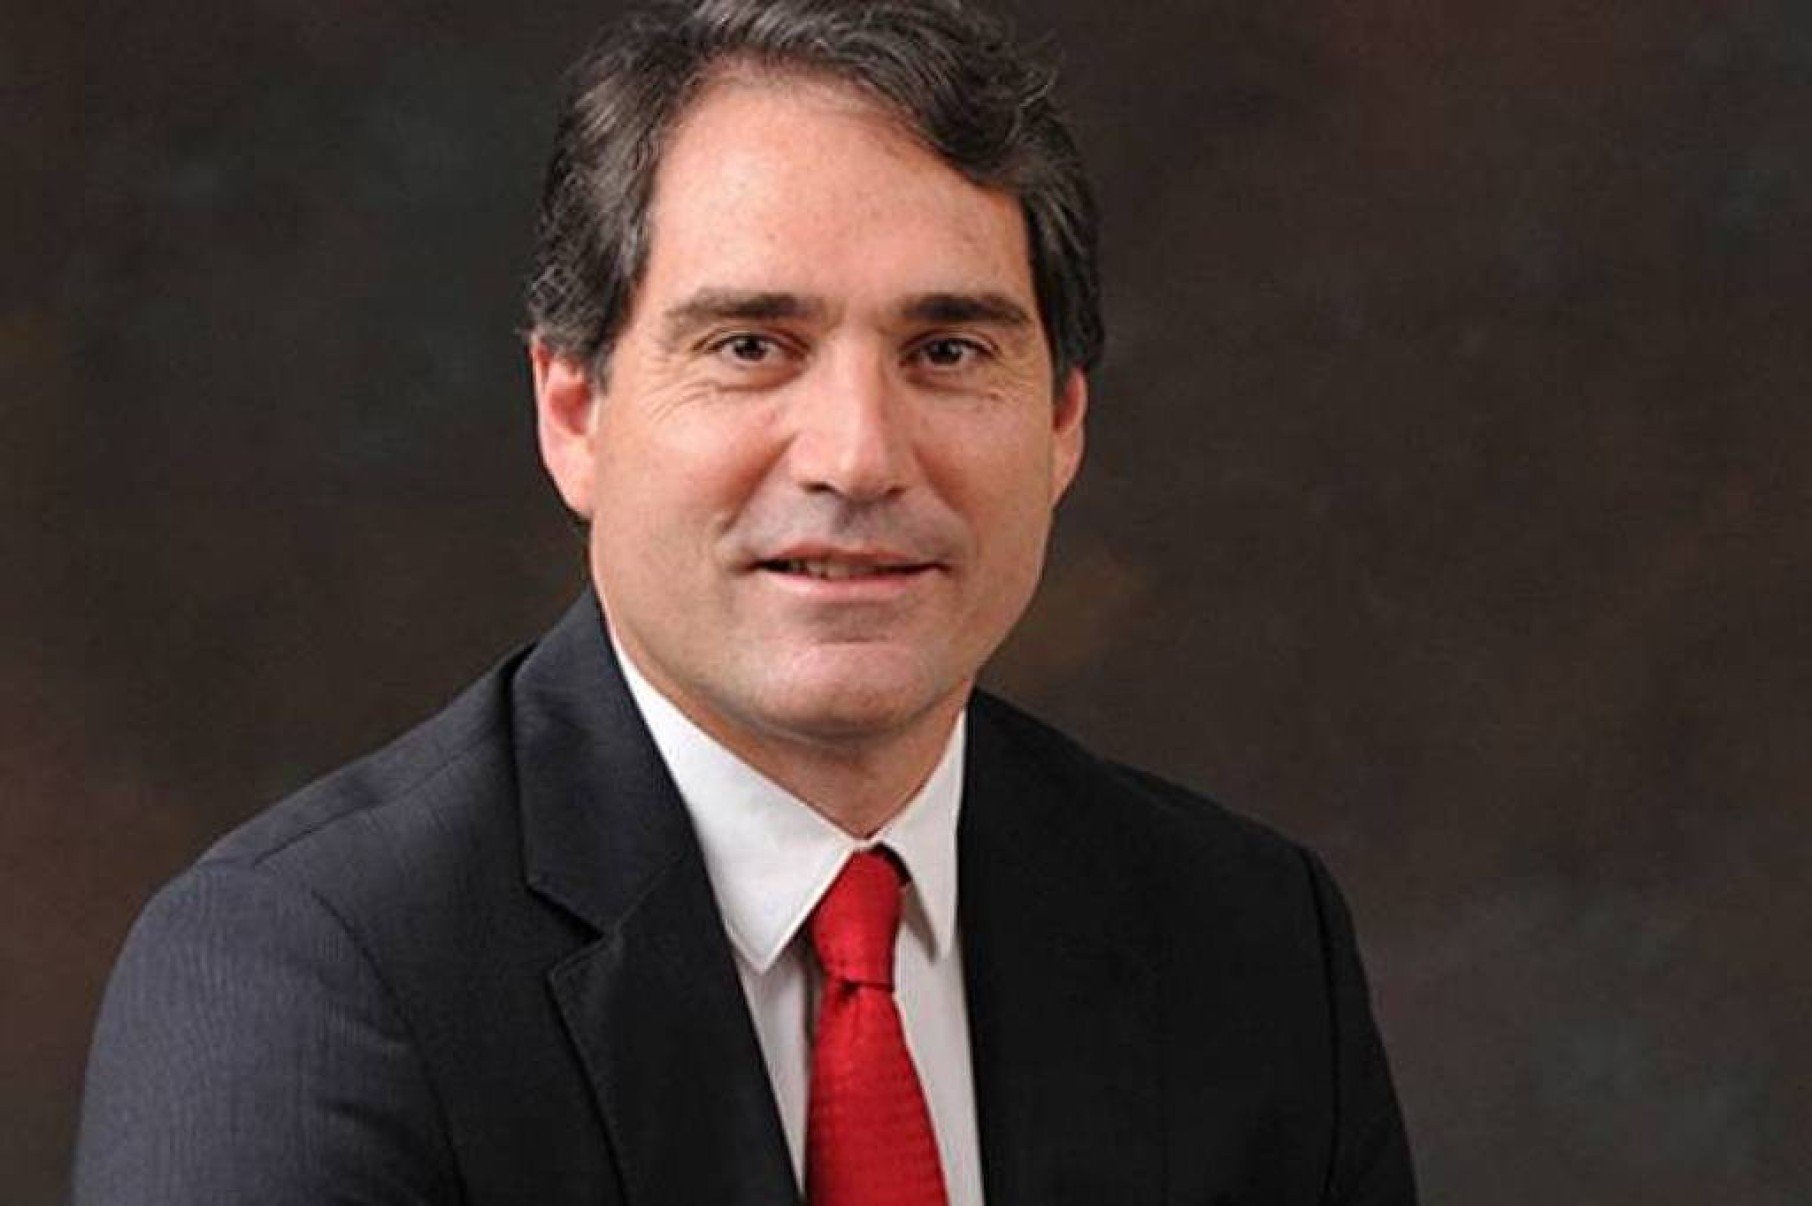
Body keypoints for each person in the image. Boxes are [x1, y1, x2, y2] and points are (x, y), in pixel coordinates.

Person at [72, 1, 1417, 1202]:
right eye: (753, 345)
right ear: (574, 411)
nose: (859, 456)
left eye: (949, 350)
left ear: (1063, 422)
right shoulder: (309, 971)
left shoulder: (1247, 941)